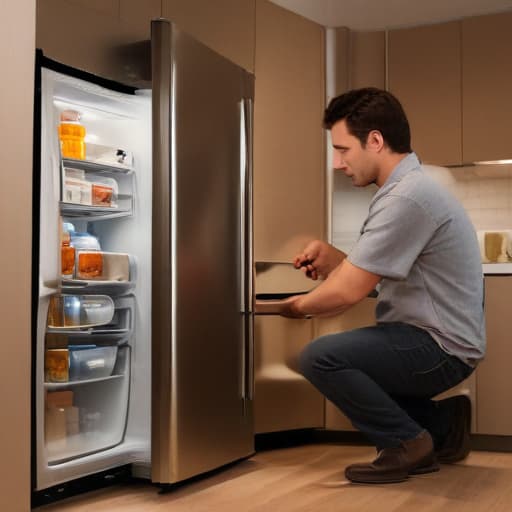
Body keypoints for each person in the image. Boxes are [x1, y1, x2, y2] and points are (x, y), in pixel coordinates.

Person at [274, 88, 485, 484]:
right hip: (444, 342)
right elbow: (378, 282)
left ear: (375, 140)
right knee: (360, 361)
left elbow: (347, 293)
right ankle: (441, 425)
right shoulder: (408, 189)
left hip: (438, 346)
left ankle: (406, 443)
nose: (338, 164)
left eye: (343, 150)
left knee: (321, 358)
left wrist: (294, 307)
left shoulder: (407, 196)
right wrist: (335, 260)